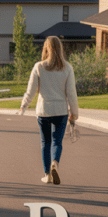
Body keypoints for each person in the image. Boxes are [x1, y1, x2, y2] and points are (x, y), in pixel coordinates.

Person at [19, 35, 79, 185]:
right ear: (60, 49)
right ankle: (55, 163)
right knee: (57, 142)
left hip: (43, 111)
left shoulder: (39, 67)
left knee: (45, 142)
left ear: (46, 48)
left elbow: (31, 90)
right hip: (61, 111)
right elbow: (71, 93)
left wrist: (23, 106)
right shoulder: (67, 68)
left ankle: (47, 175)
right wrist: (74, 113)